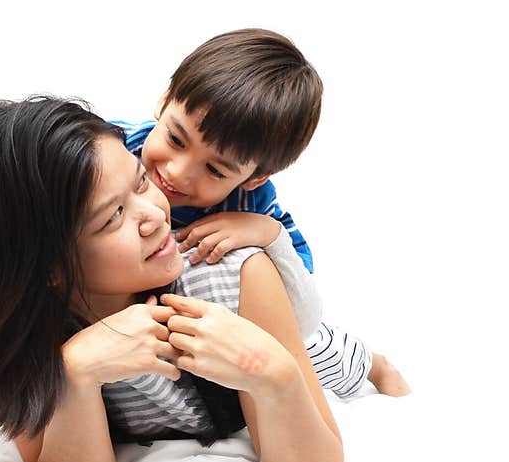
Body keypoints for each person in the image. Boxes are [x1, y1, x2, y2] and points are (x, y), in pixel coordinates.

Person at [0, 96, 343, 462]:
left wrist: (275, 374)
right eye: (113, 217)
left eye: (141, 182)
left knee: (343, 360)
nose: (154, 215)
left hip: (312, 342)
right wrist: (76, 374)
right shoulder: (23, 335)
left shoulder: (237, 278)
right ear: (48, 269)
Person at [111, 28, 410, 398]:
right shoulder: (114, 148)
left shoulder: (252, 203)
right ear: (165, 99)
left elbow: (300, 311)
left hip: (212, 309)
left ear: (253, 178)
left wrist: (268, 233)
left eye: (216, 171)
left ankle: (373, 364)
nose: (177, 171)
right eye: (175, 139)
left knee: (299, 348)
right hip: (123, 291)